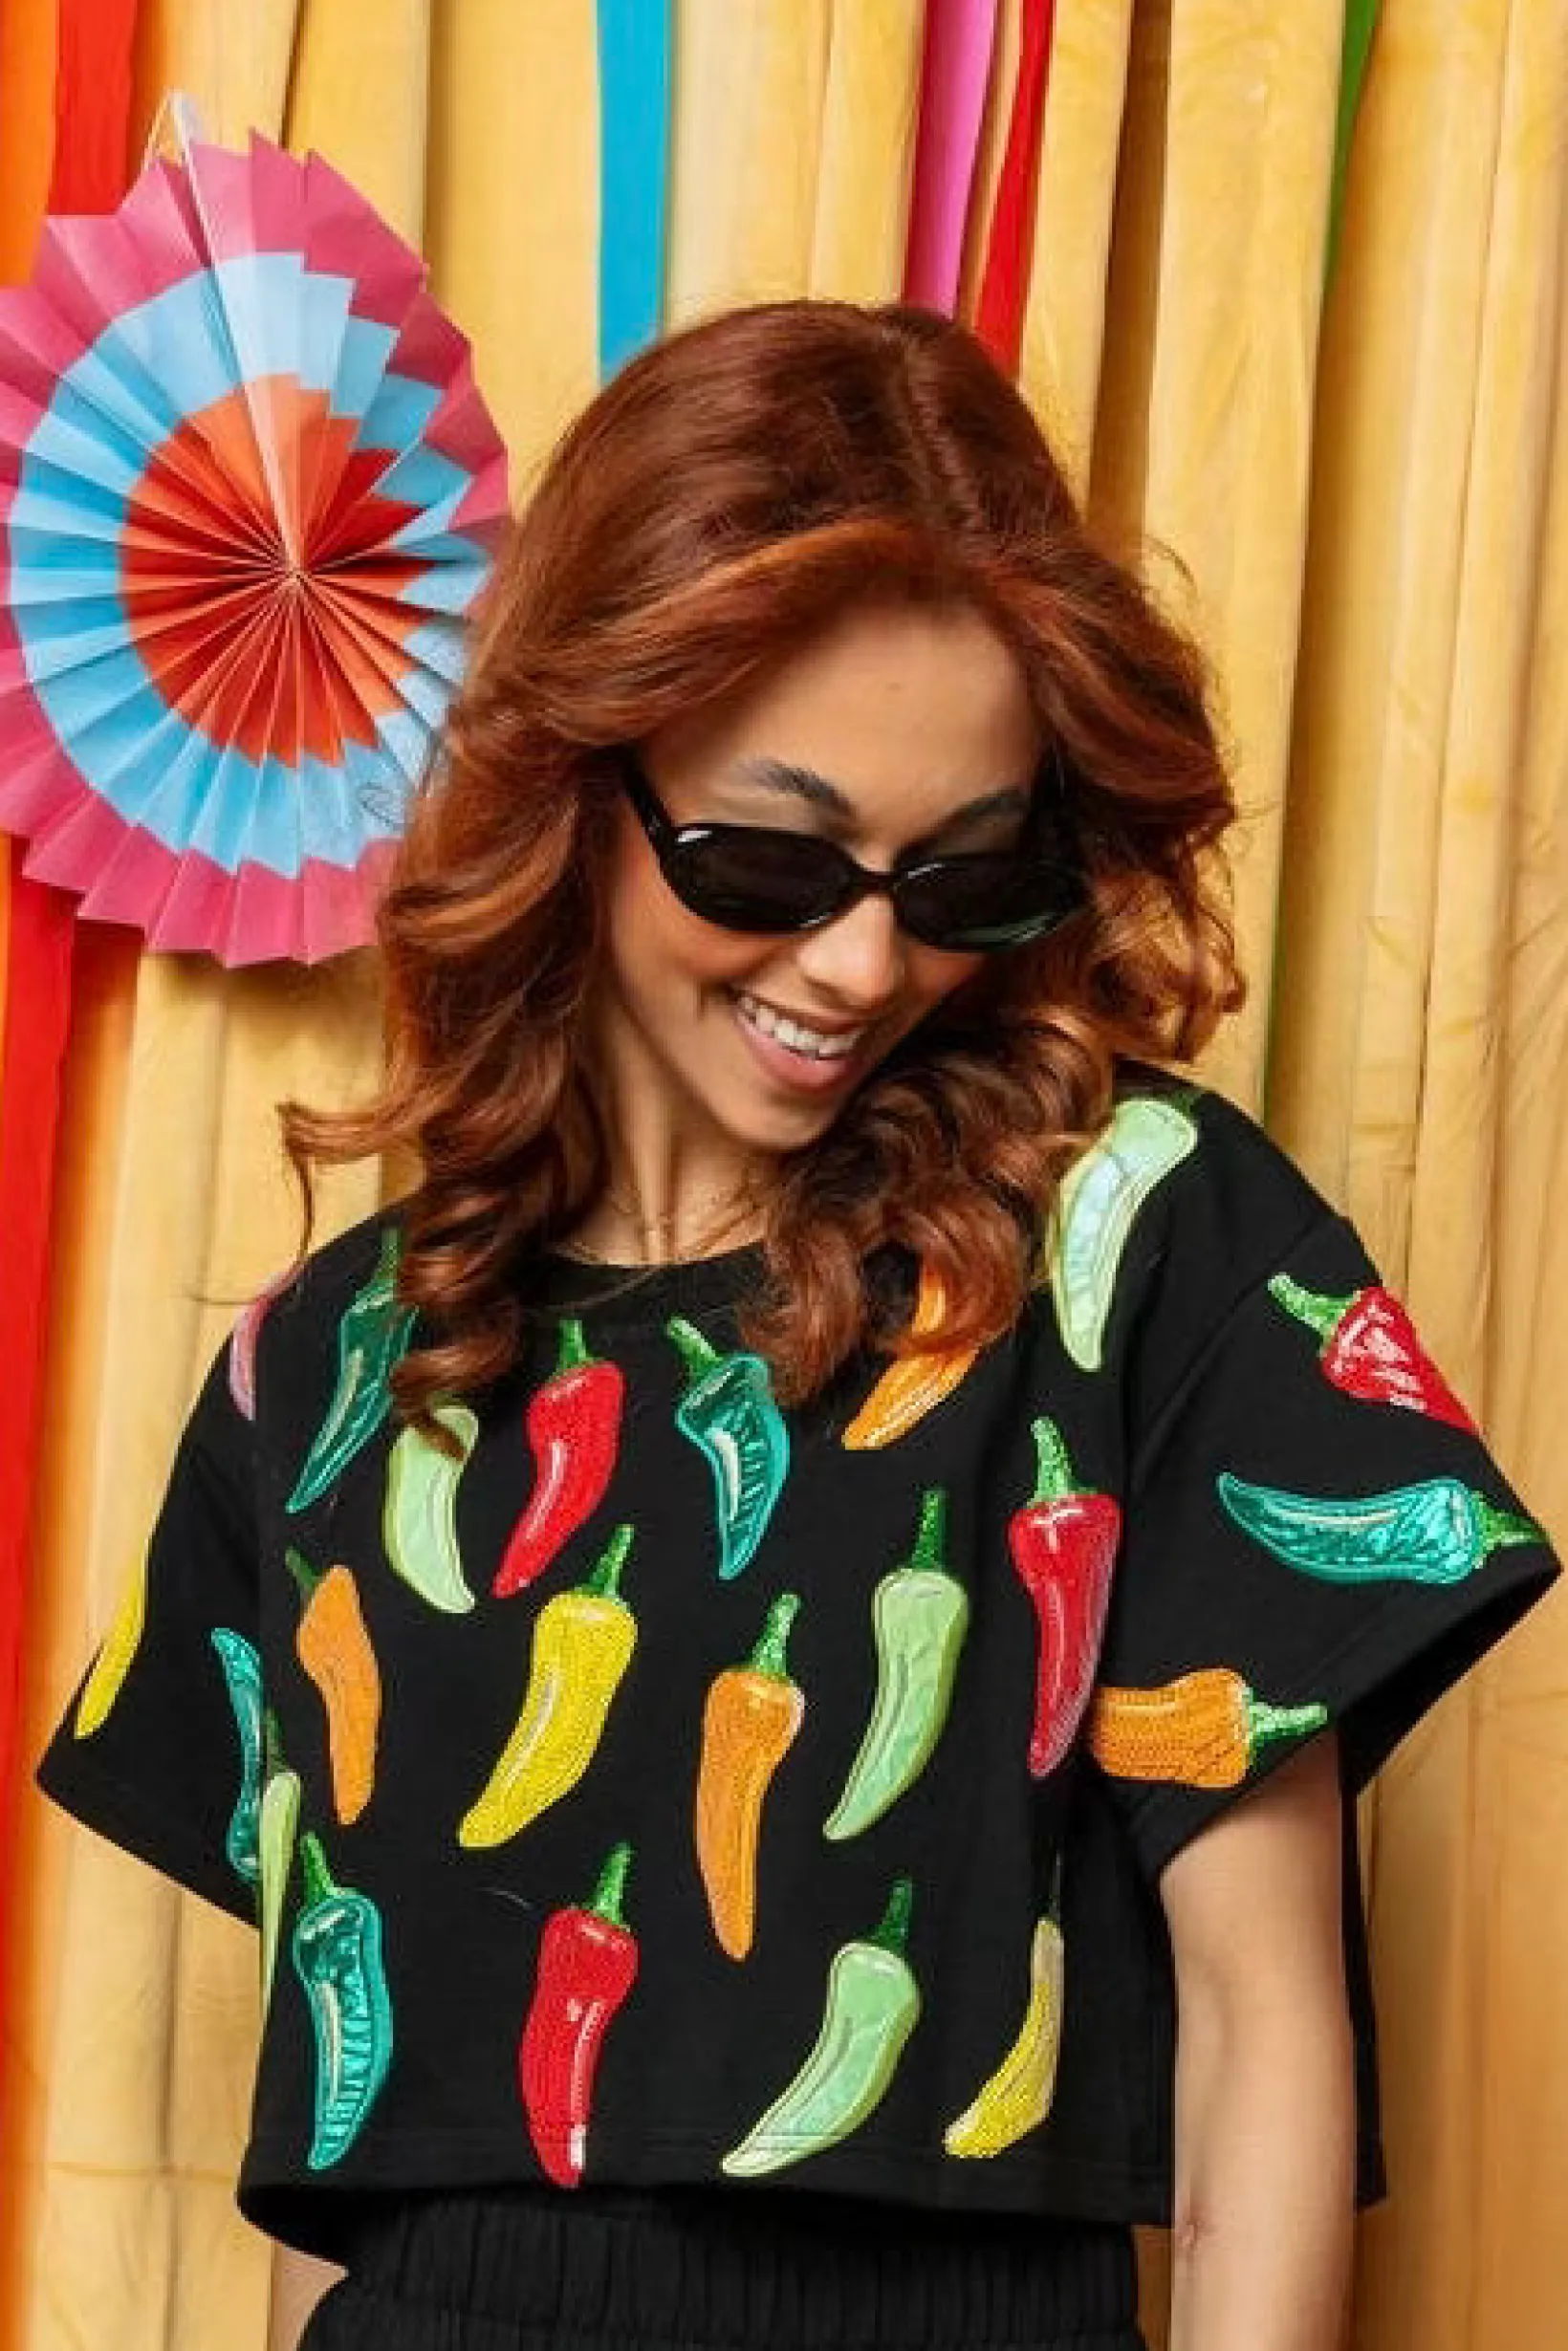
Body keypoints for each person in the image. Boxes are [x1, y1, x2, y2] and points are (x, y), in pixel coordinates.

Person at [34, 298, 1560, 2351]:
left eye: (961, 876)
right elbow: (349, 2148)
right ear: (575, 774)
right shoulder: (333, 1366)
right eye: (770, 856)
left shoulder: (1135, 1245)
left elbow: (1261, 2026)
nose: (859, 964)